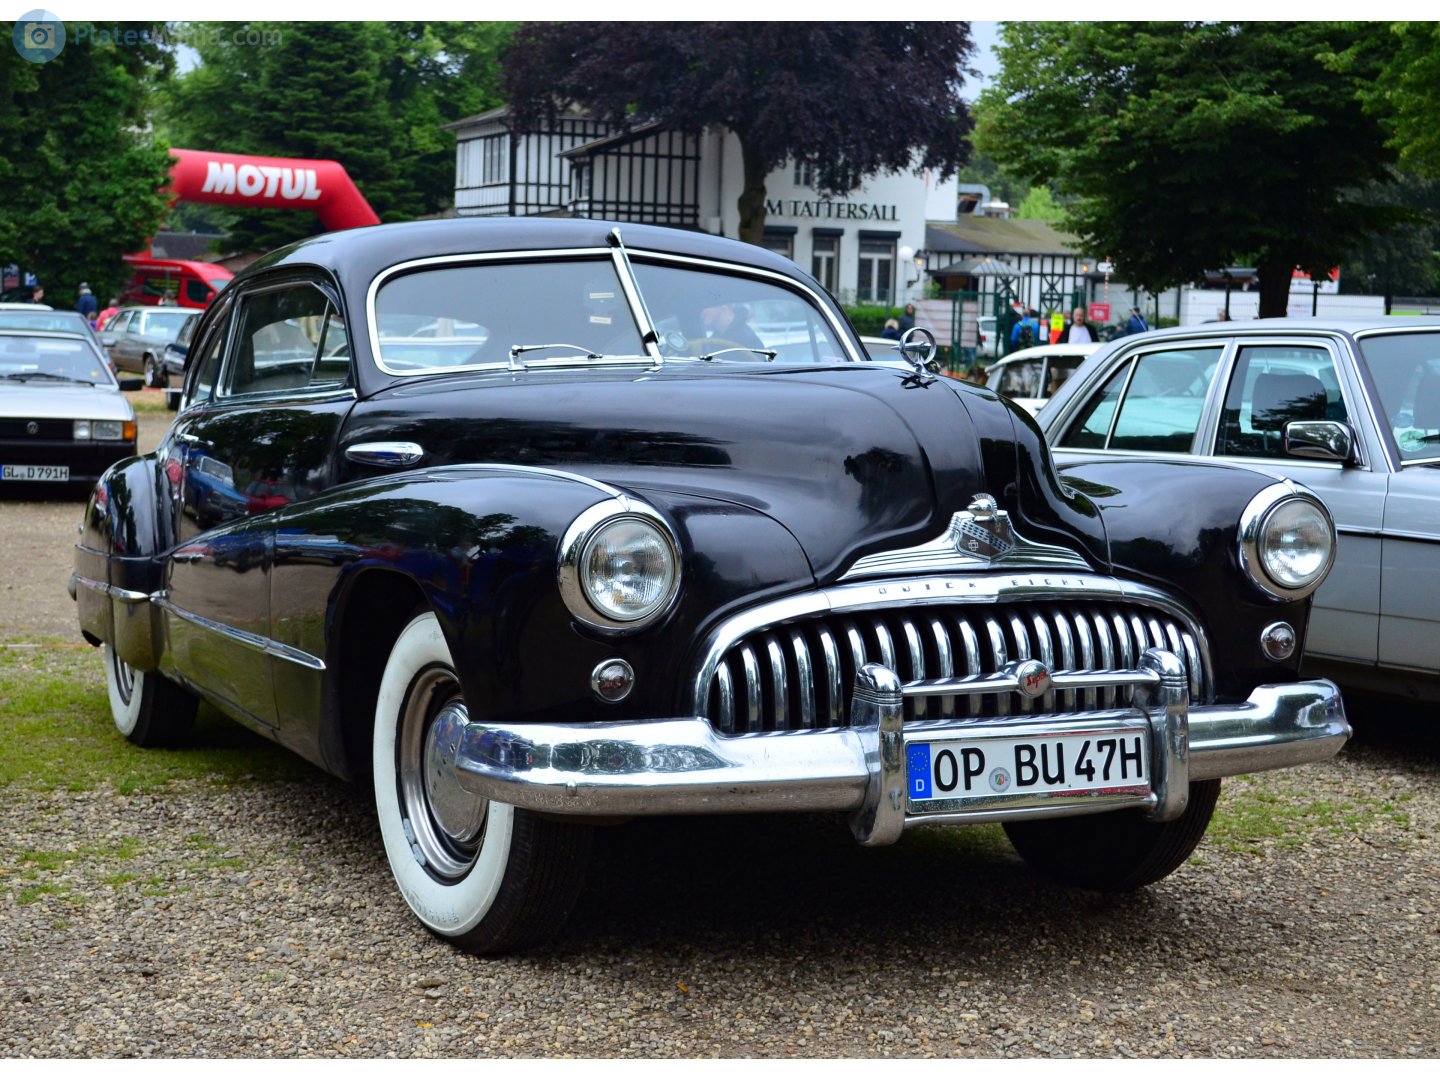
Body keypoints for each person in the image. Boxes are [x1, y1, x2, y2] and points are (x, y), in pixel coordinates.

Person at [700, 302, 764, 352]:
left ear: (723, 305)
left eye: (706, 306)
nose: (703, 312)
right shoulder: (712, 340)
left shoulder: (749, 341)